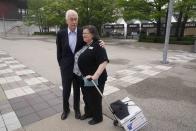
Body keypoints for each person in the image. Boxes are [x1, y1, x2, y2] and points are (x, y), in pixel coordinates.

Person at [56, 9, 105, 120]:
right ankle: (66, 110)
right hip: (66, 68)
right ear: (66, 20)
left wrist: (101, 41)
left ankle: (77, 110)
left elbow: (92, 38)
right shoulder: (61, 33)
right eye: (71, 19)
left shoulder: (81, 32)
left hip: (79, 69)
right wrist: (62, 65)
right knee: (66, 90)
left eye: (75, 19)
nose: (74, 22)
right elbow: (58, 52)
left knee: (77, 90)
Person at [73, 25, 109, 125]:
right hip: (85, 78)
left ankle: (98, 118)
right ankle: (89, 113)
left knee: (95, 98)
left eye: (86, 33)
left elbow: (104, 62)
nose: (83, 35)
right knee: (86, 97)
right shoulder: (86, 44)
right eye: (83, 33)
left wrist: (95, 75)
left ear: (92, 34)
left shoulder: (98, 45)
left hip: (96, 79)